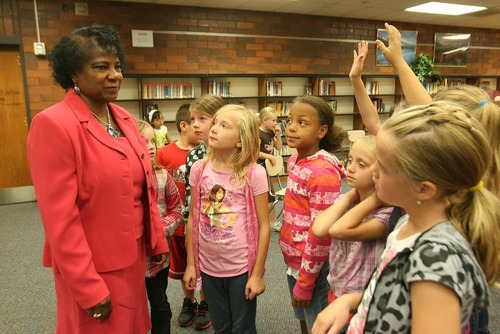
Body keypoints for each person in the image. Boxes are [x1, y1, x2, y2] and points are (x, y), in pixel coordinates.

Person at [26, 24, 169, 333]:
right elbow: (59, 220)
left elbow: (144, 183)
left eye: (117, 66)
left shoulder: (124, 117)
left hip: (131, 258)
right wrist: (88, 286)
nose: (115, 75)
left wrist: (156, 239)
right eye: (101, 67)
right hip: (92, 265)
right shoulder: (53, 124)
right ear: (74, 74)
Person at [312, 101, 499, 334]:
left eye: (384, 167)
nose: (373, 172)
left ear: (424, 189)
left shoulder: (437, 260)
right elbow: (398, 295)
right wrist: (351, 301)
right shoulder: (405, 224)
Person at [183, 104, 271, 334]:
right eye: (216, 123)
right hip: (209, 267)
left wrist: (257, 274)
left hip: (241, 269)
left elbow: (264, 226)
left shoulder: (254, 173)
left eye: (224, 126)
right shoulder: (199, 170)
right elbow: (193, 220)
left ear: (240, 141)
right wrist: (191, 264)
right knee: (221, 326)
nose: (214, 129)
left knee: (243, 328)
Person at [311, 135, 394, 331]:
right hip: (337, 292)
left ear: (379, 171)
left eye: (362, 164)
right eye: (349, 160)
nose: (350, 168)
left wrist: (374, 200)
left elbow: (337, 230)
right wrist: (349, 196)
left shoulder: (386, 214)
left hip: (363, 300)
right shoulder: (346, 201)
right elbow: (319, 229)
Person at [279, 96, 346, 334]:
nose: (292, 127)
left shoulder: (322, 172)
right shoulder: (298, 158)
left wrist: (306, 281)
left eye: (302, 122)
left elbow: (322, 233)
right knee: (304, 319)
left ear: (322, 130)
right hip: (295, 261)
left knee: (320, 325)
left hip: (313, 269)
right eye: (290, 120)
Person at [155, 104, 205, 329]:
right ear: (184, 126)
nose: (199, 128)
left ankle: (205, 304)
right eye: (194, 123)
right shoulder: (165, 153)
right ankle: (189, 301)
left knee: (203, 265)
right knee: (184, 266)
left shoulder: (206, 153)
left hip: (200, 224)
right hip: (176, 225)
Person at [182, 94, 225, 330]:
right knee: (199, 268)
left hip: (225, 228)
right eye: (192, 119)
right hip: (199, 225)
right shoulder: (194, 156)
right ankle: (200, 303)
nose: (195, 124)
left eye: (202, 118)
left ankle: (208, 304)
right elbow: (192, 197)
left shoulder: (234, 154)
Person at [137, 120, 182, 334]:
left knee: (160, 304)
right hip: (133, 260)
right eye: (144, 141)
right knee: (132, 307)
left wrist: (159, 230)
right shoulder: (124, 180)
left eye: (153, 140)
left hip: (158, 258)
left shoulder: (163, 175)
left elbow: (177, 209)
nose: (152, 146)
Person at [257, 106, 284, 232]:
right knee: (269, 196)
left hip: (267, 168)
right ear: (264, 120)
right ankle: (273, 221)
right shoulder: (259, 133)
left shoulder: (271, 132)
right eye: (273, 120)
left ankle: (270, 220)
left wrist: (278, 135)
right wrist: (270, 157)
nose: (275, 123)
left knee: (269, 195)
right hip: (259, 167)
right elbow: (254, 152)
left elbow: (278, 147)